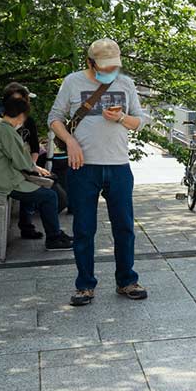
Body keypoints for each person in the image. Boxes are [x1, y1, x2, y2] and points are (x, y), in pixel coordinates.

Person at [49, 38, 149, 307]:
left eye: (114, 66)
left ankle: (127, 280)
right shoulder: (72, 82)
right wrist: (70, 141)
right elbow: (55, 118)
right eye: (104, 67)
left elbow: (139, 121)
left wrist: (119, 118)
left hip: (118, 166)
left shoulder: (125, 84)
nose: (110, 71)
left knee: (125, 228)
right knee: (83, 228)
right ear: (90, 63)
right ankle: (85, 286)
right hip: (83, 168)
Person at [0, 89, 73, 250]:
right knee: (49, 196)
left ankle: (54, 232)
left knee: (48, 191)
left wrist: (35, 169)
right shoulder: (5, 131)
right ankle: (53, 238)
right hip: (5, 182)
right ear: (21, 115)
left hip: (1, 177)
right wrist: (37, 169)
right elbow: (21, 161)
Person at [0, 82, 47, 238]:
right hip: (7, 176)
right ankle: (47, 234)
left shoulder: (22, 121)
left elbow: (34, 147)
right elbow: (17, 159)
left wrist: (33, 166)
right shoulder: (1, 126)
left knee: (36, 185)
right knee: (45, 193)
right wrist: (31, 168)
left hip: (17, 170)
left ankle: (29, 226)